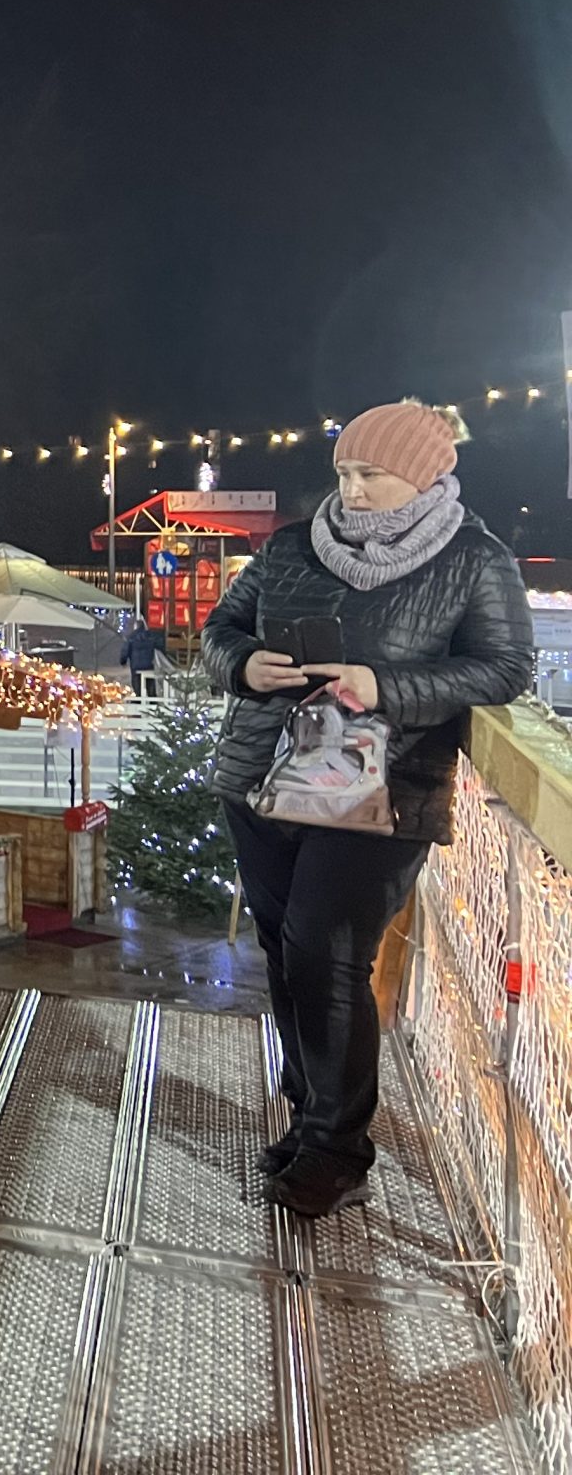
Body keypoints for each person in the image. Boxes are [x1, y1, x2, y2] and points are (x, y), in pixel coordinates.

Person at [203, 399, 533, 1219]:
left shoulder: (474, 559)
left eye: (371, 475)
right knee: (285, 949)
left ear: (423, 476)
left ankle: (336, 1148)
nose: (351, 490)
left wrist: (382, 686)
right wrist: (246, 666)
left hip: (384, 786)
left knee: (328, 952)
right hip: (265, 774)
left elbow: (503, 669)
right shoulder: (291, 547)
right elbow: (221, 629)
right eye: (344, 472)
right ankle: (307, 1112)